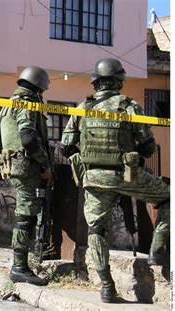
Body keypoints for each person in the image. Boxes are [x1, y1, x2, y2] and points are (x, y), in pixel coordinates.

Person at [61, 58, 170, 303]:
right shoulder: (130, 107)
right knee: (167, 199)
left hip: (95, 179)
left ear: (96, 83)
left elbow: (66, 146)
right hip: (126, 175)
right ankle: (157, 250)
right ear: (119, 81)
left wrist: (85, 160)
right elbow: (148, 147)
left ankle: (107, 287)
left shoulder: (83, 108)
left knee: (97, 230)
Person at [0, 66, 52, 286]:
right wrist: (45, 163)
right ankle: (19, 267)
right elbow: (28, 138)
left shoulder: (9, 104)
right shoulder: (27, 103)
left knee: (28, 214)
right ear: (38, 85)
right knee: (26, 215)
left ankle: (25, 263)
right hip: (28, 168)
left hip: (16, 167)